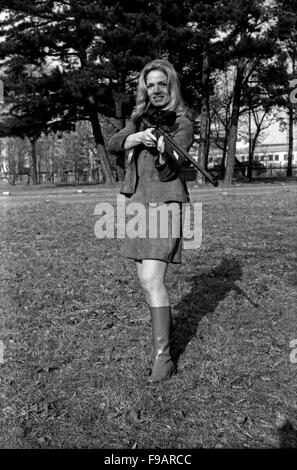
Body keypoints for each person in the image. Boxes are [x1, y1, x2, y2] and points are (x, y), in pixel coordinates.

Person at [108, 59, 194, 383]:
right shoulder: (139, 118)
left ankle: (164, 357)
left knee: (152, 280)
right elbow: (116, 142)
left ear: (171, 87)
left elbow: (171, 168)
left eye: (162, 84)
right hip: (137, 203)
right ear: (145, 88)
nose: (156, 90)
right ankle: (163, 338)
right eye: (151, 85)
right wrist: (137, 136)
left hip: (165, 204)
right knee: (145, 280)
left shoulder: (182, 122)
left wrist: (162, 151)